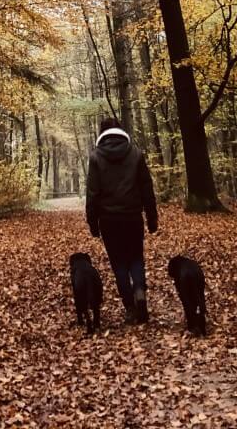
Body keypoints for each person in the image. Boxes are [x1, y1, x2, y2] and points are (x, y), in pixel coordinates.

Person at [85, 118, 158, 323]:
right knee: (136, 258)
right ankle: (140, 291)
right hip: (133, 217)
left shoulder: (96, 158)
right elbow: (146, 188)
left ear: (102, 133)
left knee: (119, 264)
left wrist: (92, 223)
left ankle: (130, 307)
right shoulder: (135, 154)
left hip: (108, 220)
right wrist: (152, 218)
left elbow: (92, 193)